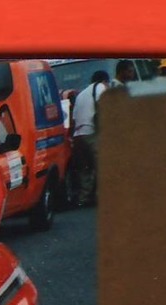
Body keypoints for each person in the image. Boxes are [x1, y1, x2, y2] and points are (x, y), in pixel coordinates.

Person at [68, 69, 111, 207]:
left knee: (84, 170)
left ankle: (83, 198)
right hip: (92, 133)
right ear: (104, 81)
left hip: (78, 137)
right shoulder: (100, 87)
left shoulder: (81, 95)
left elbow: (73, 120)